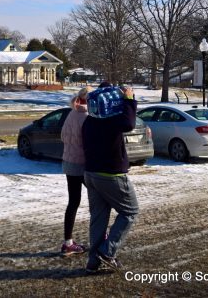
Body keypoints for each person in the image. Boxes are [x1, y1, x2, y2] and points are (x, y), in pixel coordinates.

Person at [82, 82, 139, 273]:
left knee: (98, 218)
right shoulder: (112, 121)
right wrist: (129, 99)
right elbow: (129, 123)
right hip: (111, 175)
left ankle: (93, 261)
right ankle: (107, 251)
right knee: (130, 212)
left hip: (91, 174)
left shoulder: (90, 120)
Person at [59, 86, 92, 255]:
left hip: (68, 163)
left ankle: (67, 242)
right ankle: (100, 236)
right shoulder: (87, 117)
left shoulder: (71, 113)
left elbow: (63, 136)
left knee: (73, 202)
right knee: (97, 199)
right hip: (83, 165)